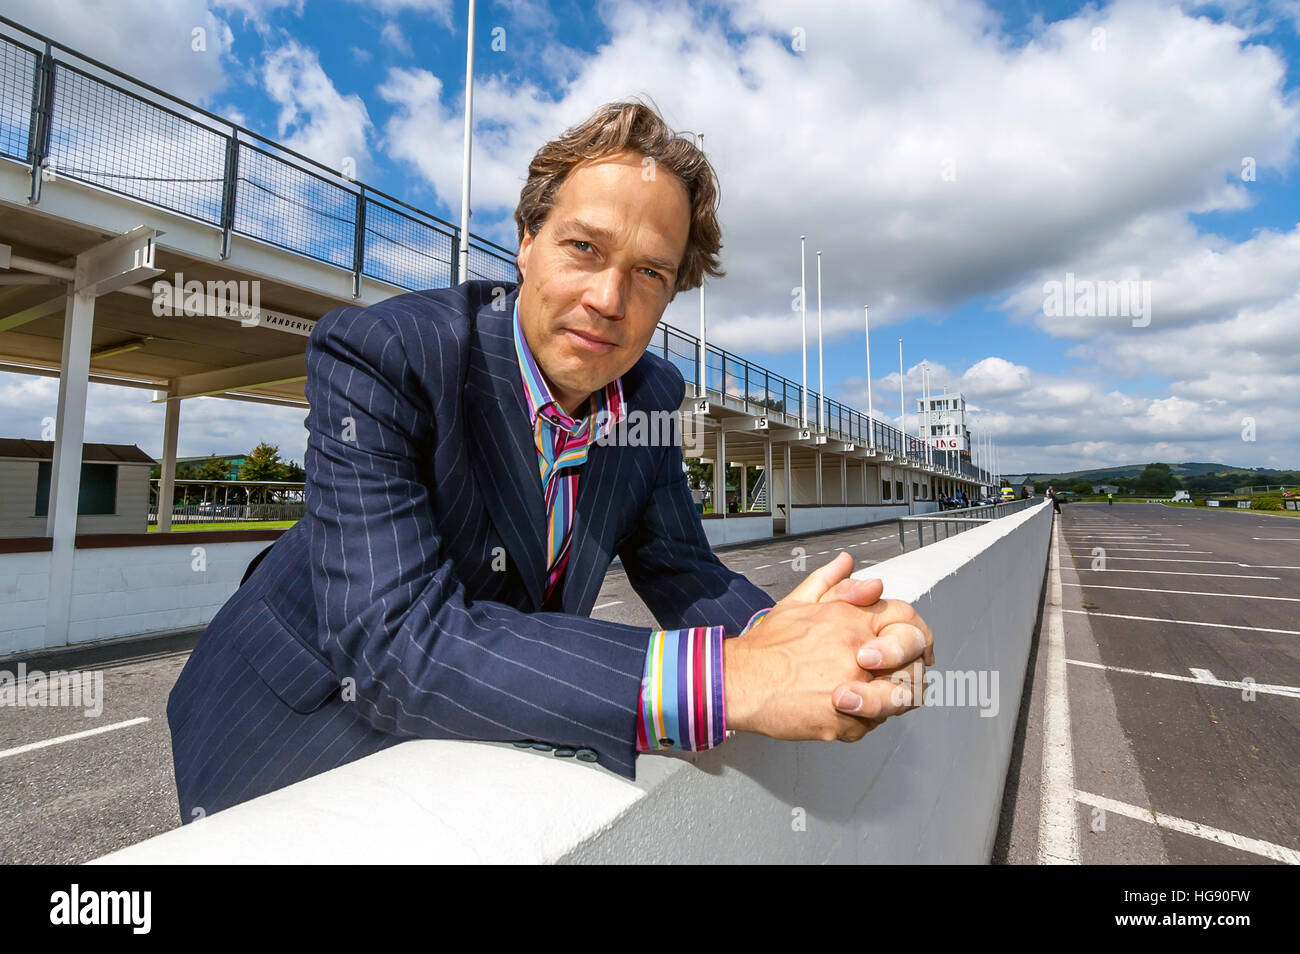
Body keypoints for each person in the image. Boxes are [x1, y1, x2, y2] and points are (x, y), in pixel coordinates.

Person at [166, 101, 934, 821]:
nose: (608, 298)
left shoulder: (651, 396)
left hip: (458, 738)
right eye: (584, 248)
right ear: (527, 241)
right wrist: (732, 679)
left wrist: (811, 641)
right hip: (284, 719)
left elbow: (682, 571)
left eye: (649, 273)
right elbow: (397, 642)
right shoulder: (389, 354)